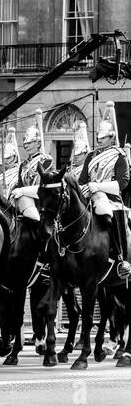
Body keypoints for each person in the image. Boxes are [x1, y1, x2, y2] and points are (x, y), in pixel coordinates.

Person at [79, 102, 131, 279]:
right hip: (89, 196)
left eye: (103, 137)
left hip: (110, 199)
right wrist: (86, 188)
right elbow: (82, 180)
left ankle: (120, 257)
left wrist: (99, 187)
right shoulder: (90, 156)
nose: (99, 139)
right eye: (98, 136)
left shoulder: (119, 155)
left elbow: (122, 182)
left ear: (112, 137)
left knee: (109, 211)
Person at [8, 109, 52, 223]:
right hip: (25, 201)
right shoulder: (23, 165)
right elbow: (20, 184)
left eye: (30, 142)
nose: (26, 145)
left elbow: (44, 185)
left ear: (38, 143)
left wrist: (22, 191)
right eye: (25, 143)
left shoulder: (46, 160)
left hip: (41, 200)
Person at [0, 125, 21, 198]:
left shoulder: (20, 173)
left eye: (8, 157)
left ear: (15, 157)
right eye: (4, 158)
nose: (5, 160)